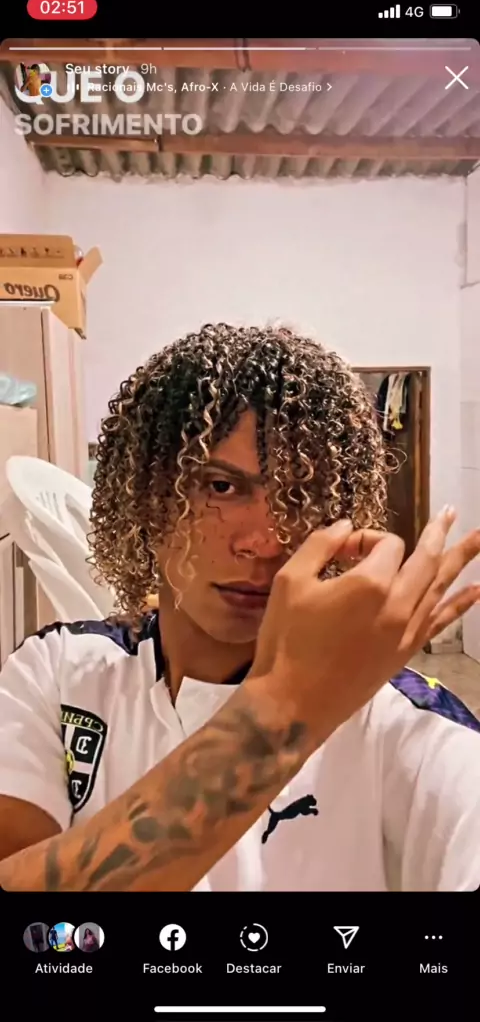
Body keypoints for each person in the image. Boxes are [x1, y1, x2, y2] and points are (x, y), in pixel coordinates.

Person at [0, 323, 479, 894]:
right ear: (145, 499)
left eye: (301, 494)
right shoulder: (58, 673)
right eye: (221, 488)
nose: (265, 542)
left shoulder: (410, 724)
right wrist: (280, 711)